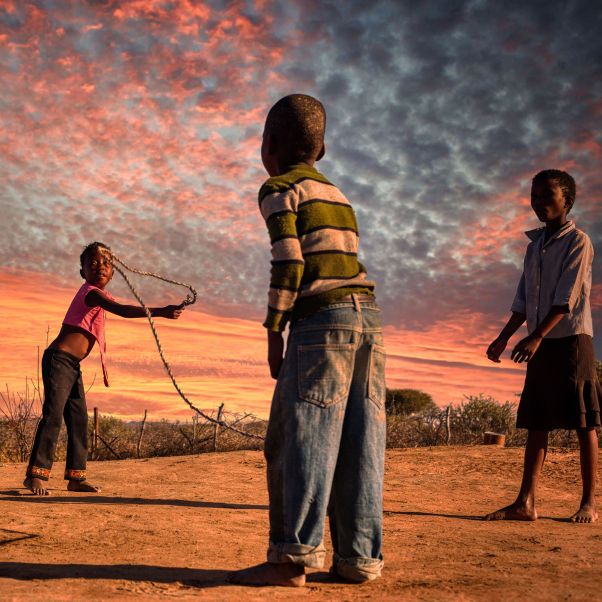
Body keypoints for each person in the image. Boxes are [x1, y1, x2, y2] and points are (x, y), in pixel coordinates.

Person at [230, 94, 386, 587]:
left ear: (269, 145)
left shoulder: (279, 187)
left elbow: (290, 262)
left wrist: (274, 330)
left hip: (321, 321)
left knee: (298, 438)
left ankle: (291, 560)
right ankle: (358, 560)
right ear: (323, 148)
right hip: (369, 320)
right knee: (359, 442)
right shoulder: (338, 195)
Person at [485, 169, 600, 524]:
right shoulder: (533, 248)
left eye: (547, 195)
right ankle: (526, 503)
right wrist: (504, 337)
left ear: (567, 200)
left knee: (584, 423)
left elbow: (566, 298)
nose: (539, 203)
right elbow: (522, 300)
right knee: (537, 420)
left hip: (572, 341)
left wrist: (535, 337)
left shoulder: (578, 242)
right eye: (534, 196)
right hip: (540, 343)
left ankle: (588, 505)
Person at [24, 242, 183, 495]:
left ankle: (76, 477)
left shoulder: (100, 297)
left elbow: (118, 307)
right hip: (59, 360)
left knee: (78, 419)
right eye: (93, 263)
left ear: (113, 272)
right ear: (82, 272)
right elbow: (122, 310)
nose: (100, 267)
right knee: (53, 415)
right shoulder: (90, 293)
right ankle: (36, 475)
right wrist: (161, 311)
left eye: (106, 263)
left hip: (71, 365)